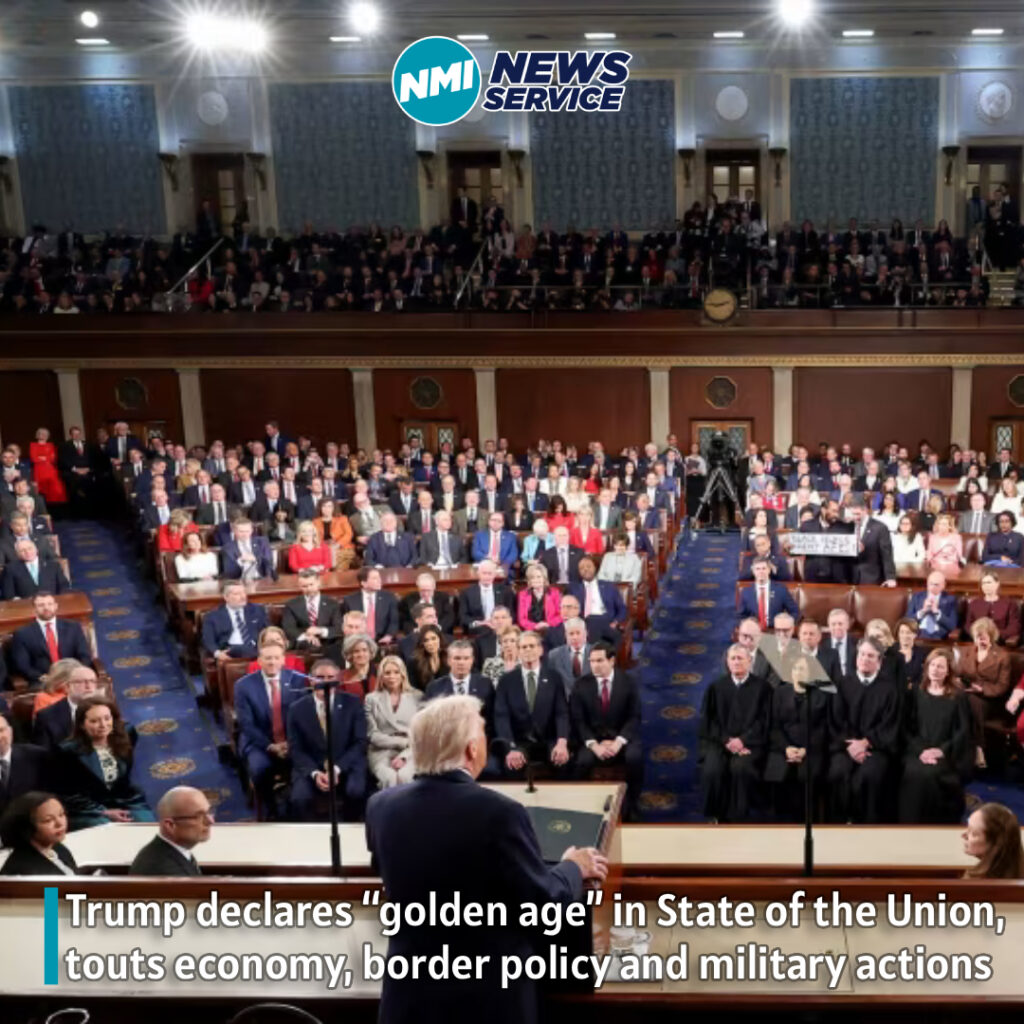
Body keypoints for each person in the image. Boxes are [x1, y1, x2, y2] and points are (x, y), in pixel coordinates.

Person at [365, 694, 607, 1024]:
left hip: (409, 996)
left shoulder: (380, 807)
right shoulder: (500, 812)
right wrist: (572, 867)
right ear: (471, 749)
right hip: (486, 998)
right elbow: (543, 904)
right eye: (482, 732)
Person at [828, 639, 902, 823]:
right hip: (845, 747)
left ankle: (866, 827)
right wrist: (852, 745)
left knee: (868, 776)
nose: (865, 659)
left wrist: (867, 742)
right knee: (838, 772)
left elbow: (889, 725)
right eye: (862, 654)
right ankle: (838, 824)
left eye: (870, 656)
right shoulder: (843, 684)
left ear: (879, 661)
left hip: (876, 748)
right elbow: (837, 719)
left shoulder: (890, 689)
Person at [234, 640, 308, 818]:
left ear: (283, 660)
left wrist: (290, 743)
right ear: (259, 661)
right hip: (259, 743)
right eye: (267, 658)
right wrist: (271, 746)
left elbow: (303, 717)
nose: (272, 662)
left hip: (292, 741)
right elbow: (246, 724)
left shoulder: (297, 680)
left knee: (306, 765)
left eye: (276, 658)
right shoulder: (243, 686)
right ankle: (270, 810)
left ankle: (296, 807)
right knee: (259, 768)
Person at [898, 649, 973, 824]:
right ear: (926, 667)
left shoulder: (958, 697)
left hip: (947, 753)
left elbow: (963, 732)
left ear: (948, 671)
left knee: (931, 775)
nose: (935, 670)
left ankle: (935, 825)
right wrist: (921, 751)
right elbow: (907, 728)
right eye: (932, 665)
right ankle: (908, 824)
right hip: (917, 751)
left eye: (940, 667)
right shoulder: (916, 692)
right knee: (914, 772)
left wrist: (941, 751)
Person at [56, 696, 154, 830]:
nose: (103, 725)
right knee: (107, 830)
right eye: (94, 721)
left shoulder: (127, 733)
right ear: (82, 725)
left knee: (146, 825)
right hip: (89, 807)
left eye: (107, 718)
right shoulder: (67, 751)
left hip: (124, 798)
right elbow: (69, 795)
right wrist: (104, 812)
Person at [287, 659, 367, 821]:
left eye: (330, 677)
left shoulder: (352, 703)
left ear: (337, 680)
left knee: (356, 791)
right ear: (311, 680)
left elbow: (360, 742)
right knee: (300, 798)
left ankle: (349, 829)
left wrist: (336, 769)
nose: (325, 682)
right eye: (320, 677)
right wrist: (315, 774)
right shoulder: (296, 709)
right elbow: (295, 749)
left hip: (345, 763)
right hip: (312, 766)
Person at [571, 640, 643, 815]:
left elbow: (634, 717)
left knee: (635, 758)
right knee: (581, 762)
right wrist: (594, 745)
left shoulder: (628, 682)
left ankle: (632, 805)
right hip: (593, 739)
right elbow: (578, 721)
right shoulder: (580, 685)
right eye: (592, 661)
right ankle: (583, 807)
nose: (594, 665)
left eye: (599, 660)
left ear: (611, 661)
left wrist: (618, 742)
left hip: (621, 738)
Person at [765, 654, 836, 822]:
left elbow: (824, 728)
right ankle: (780, 823)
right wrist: (786, 748)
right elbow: (774, 727)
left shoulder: (822, 695)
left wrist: (806, 749)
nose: (798, 672)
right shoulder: (780, 693)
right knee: (777, 774)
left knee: (806, 776)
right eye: (795, 669)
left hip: (812, 749)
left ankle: (807, 821)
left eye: (802, 669)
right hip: (783, 748)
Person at [493, 631, 570, 777]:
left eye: (532, 646)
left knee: (563, 763)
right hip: (519, 742)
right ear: (518, 651)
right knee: (512, 767)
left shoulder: (554, 677)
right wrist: (510, 747)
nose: (528, 650)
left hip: (549, 740)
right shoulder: (506, 680)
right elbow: (501, 716)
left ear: (540, 650)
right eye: (523, 647)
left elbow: (561, 713)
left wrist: (562, 742)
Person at [959, 616, 1014, 771]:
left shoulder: (1002, 656)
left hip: (991, 699)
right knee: (962, 699)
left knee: (972, 701)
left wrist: (982, 690)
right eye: (977, 636)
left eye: (984, 637)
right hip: (968, 693)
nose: (980, 640)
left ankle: (978, 747)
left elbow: (1002, 686)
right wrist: (960, 682)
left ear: (992, 636)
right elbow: (959, 673)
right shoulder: (967, 651)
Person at [10, 591, 92, 687]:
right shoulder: (23, 633)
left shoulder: (73, 627)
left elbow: (84, 655)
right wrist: (42, 677)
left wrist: (76, 673)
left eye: (50, 604)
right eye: (41, 605)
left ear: (56, 606)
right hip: (43, 682)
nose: (46, 608)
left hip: (73, 678)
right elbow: (22, 665)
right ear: (34, 609)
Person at [365, 655, 422, 788]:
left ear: (403, 674)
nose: (392, 676)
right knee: (389, 777)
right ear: (381, 676)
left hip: (411, 750)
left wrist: (404, 756)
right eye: (387, 673)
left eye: (396, 672)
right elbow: (372, 735)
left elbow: (420, 734)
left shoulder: (417, 696)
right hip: (381, 751)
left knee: (404, 776)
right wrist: (402, 742)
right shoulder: (371, 699)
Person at [128, 786, 213, 876]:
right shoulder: (162, 868)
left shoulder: (174, 853)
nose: (210, 821)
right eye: (199, 816)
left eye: (209, 812)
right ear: (170, 825)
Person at [0, 792, 77, 876]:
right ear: (28, 827)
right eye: (48, 820)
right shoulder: (21, 873)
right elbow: (53, 886)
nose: (60, 824)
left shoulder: (59, 848)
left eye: (61, 814)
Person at [32, 661, 100, 749]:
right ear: (68, 687)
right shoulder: (46, 716)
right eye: (81, 682)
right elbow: (42, 753)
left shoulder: (108, 709)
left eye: (92, 681)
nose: (89, 686)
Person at [281, 569, 343, 663]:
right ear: (299, 586)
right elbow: (288, 628)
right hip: (304, 644)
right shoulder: (291, 605)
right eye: (305, 586)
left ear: (318, 583)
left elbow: (339, 628)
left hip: (329, 642)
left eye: (311, 584)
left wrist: (320, 630)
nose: (309, 589)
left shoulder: (332, 604)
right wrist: (306, 636)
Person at [201, 580, 269, 666]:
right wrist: (218, 653)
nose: (243, 597)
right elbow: (208, 640)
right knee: (239, 649)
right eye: (237, 594)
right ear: (226, 597)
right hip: (230, 650)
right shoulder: (212, 616)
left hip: (255, 648)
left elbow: (268, 631)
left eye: (244, 593)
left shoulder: (257, 610)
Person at [962, 802, 1024, 879]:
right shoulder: (974, 875)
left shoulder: (977, 882)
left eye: (974, 833)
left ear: (995, 843)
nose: (964, 835)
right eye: (968, 828)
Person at [342, 567, 399, 645]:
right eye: (374, 578)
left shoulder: (389, 597)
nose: (379, 581)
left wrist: (388, 636)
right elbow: (345, 625)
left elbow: (394, 621)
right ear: (364, 583)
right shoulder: (350, 600)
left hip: (383, 641)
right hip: (357, 641)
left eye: (379, 577)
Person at [737, 557, 799, 628]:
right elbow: (740, 616)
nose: (761, 571)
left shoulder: (781, 589)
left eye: (764, 568)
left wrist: (785, 624)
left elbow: (795, 611)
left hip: (776, 630)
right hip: (754, 631)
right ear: (753, 571)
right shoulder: (746, 592)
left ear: (769, 570)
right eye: (757, 569)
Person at [848, 496, 897, 586]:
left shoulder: (880, 528)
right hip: (851, 578)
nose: (855, 517)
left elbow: (887, 555)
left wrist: (890, 578)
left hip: (872, 578)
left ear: (865, 510)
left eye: (858, 514)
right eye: (853, 514)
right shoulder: (848, 526)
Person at [965, 570, 1021, 646]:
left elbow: (1014, 627)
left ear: (997, 584)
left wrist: (994, 635)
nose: (986, 586)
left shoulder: (1010, 604)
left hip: (1001, 643)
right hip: (978, 642)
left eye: (989, 582)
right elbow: (968, 625)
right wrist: (979, 634)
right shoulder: (974, 603)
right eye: (983, 583)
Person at [1, 539, 70, 600]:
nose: (27, 552)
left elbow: (64, 586)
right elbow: (8, 594)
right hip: (24, 606)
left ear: (36, 549)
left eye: (30, 548)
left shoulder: (53, 566)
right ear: (17, 554)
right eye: (22, 550)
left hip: (51, 604)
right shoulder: (10, 569)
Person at [907, 571, 959, 640]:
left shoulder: (950, 600)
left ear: (943, 585)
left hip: (938, 635)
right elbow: (907, 620)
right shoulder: (917, 597)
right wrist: (923, 611)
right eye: (930, 584)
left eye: (936, 585)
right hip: (919, 632)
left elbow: (952, 625)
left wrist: (936, 612)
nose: (932, 587)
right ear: (927, 583)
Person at [517, 563, 562, 633]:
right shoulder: (523, 594)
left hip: (550, 629)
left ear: (544, 578)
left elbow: (560, 615)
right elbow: (521, 619)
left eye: (539, 577)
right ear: (529, 580)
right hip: (530, 631)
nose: (536, 580)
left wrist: (547, 624)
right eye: (532, 577)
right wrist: (535, 626)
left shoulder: (555, 593)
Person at [312, 498, 357, 569]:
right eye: (324, 506)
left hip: (342, 548)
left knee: (337, 564)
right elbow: (314, 537)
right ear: (320, 508)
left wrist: (338, 544)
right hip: (323, 549)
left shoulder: (342, 519)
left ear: (334, 508)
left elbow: (349, 534)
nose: (326, 509)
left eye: (329, 506)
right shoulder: (315, 522)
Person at [30, 428, 67, 506]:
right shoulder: (33, 445)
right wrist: (45, 458)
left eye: (45, 434)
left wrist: (41, 457)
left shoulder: (50, 445)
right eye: (41, 434)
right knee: (41, 490)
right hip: (39, 470)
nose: (44, 436)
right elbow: (34, 458)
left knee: (56, 489)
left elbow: (52, 458)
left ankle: (56, 507)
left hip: (50, 470)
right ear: (37, 435)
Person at [406, 624, 448, 690]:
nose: (430, 643)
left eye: (433, 638)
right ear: (422, 643)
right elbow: (413, 689)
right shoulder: (414, 661)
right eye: (426, 640)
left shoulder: (448, 658)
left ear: (440, 639)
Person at [340, 634, 378, 699]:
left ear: (370, 652)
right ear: (350, 655)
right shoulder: (342, 676)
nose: (361, 654)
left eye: (364, 650)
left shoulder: (381, 671)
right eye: (356, 651)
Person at [894, 617, 926, 688]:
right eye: (902, 632)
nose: (905, 636)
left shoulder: (921, 654)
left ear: (915, 634)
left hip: (913, 691)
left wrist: (912, 686)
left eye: (908, 633)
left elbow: (922, 678)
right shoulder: (890, 652)